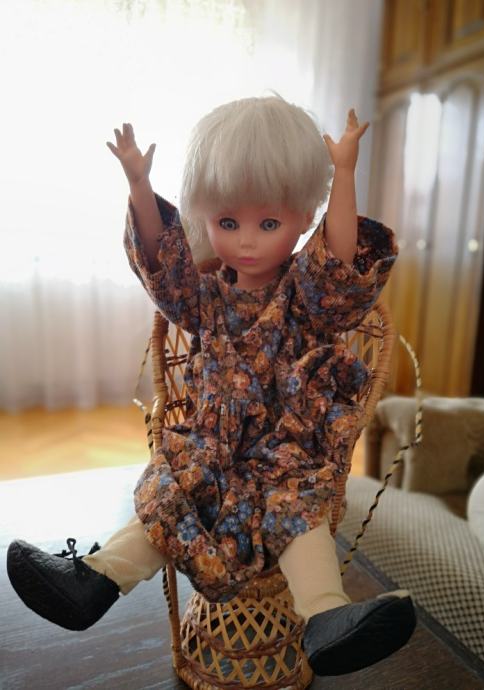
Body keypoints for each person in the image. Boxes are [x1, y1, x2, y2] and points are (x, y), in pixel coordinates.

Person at [7, 95, 416, 676]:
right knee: (172, 492)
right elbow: (164, 266)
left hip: (286, 450)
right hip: (210, 444)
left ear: (306, 218)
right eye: (228, 223)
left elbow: (340, 266)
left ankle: (326, 616)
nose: (247, 241)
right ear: (204, 218)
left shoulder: (306, 297)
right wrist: (140, 186)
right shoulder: (205, 299)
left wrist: (344, 174)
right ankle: (94, 581)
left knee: (297, 506)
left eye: (269, 223)